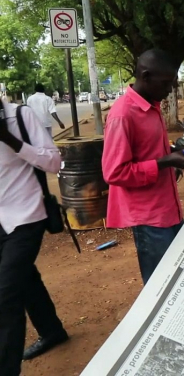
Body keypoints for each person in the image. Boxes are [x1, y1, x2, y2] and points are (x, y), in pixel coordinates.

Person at [102, 49, 184, 284]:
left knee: (178, 280)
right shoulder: (122, 115)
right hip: (149, 218)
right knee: (161, 285)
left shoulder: (152, 106)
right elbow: (114, 172)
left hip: (168, 210)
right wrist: (165, 162)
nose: (170, 90)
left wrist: (177, 152)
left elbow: (150, 152)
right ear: (145, 76)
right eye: (166, 83)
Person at [0, 98, 68, 375]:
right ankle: (52, 331)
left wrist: (10, 140)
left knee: (4, 295)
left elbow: (54, 162)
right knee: (23, 278)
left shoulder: (20, 116)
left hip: (26, 216)